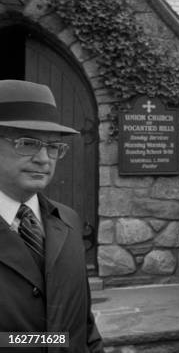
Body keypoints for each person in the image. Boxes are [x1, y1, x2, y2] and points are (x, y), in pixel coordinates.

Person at [0, 80, 103, 353]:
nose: (44, 159)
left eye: (53, 147)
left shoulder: (67, 220)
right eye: (28, 143)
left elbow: (84, 326)